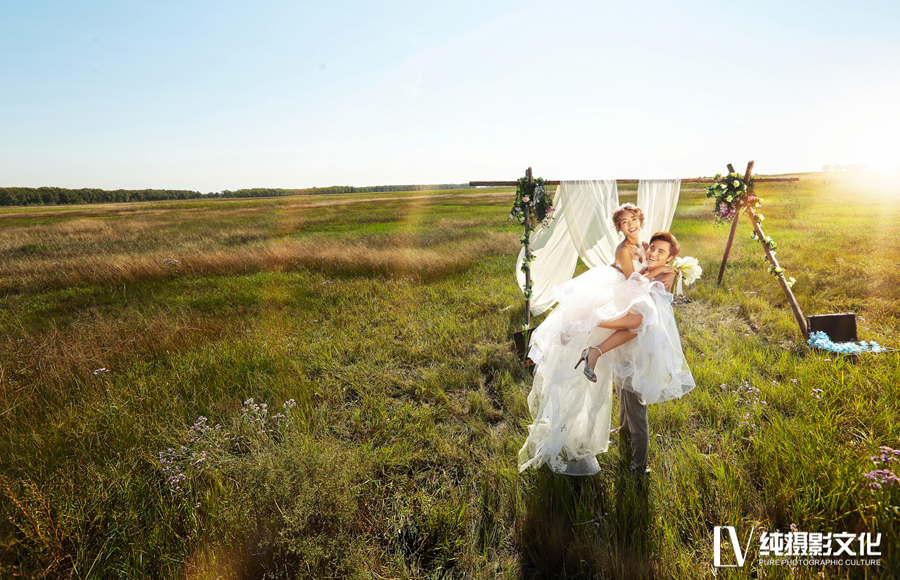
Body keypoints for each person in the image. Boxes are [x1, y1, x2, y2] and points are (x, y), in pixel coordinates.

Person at [518, 204, 695, 476]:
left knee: (630, 387)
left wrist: (667, 270)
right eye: (624, 221)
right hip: (628, 307)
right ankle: (637, 465)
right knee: (631, 380)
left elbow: (654, 277)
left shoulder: (648, 248)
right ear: (619, 227)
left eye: (634, 219)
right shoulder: (626, 250)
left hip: (639, 324)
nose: (630, 225)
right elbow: (634, 281)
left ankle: (596, 350)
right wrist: (662, 272)